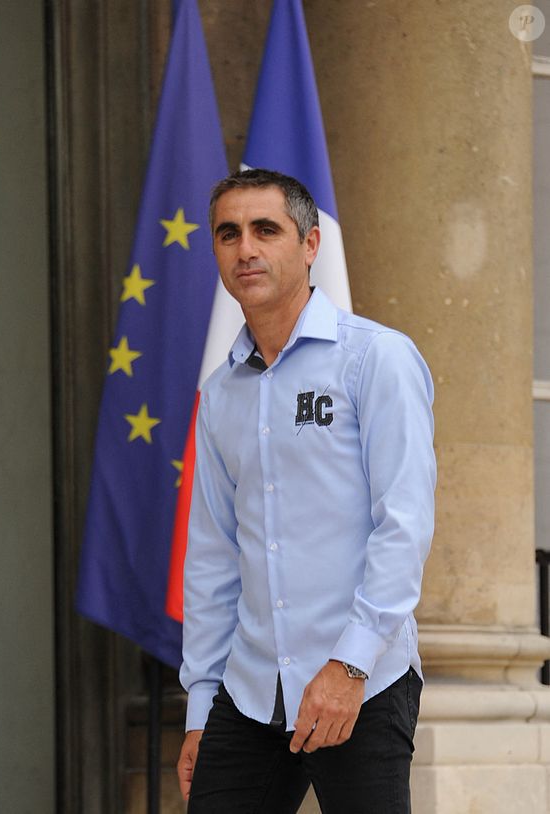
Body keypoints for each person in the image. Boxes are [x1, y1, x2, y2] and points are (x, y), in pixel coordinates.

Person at [177, 168, 436, 813]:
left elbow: (403, 524)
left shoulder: (376, 359)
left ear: (311, 244)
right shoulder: (220, 394)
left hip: (361, 682)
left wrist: (351, 665)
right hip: (249, 690)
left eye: (266, 229)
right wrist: (202, 705)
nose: (246, 249)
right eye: (228, 234)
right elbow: (212, 556)